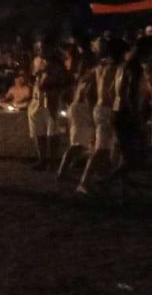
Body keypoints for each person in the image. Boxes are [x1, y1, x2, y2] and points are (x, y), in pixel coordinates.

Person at [104, 37, 152, 197]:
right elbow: (131, 94)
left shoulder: (124, 66)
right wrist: (136, 115)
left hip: (118, 113)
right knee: (136, 157)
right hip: (127, 115)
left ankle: (122, 193)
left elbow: (111, 90)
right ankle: (107, 182)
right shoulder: (136, 68)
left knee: (126, 156)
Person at [78, 39, 126, 194]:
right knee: (101, 149)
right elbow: (113, 91)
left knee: (109, 147)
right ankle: (84, 182)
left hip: (99, 108)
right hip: (107, 109)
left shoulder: (101, 66)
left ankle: (105, 178)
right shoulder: (116, 68)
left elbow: (84, 80)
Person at [27, 41, 68, 170]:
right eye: (40, 48)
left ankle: (53, 161)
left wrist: (52, 85)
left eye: (44, 48)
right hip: (37, 100)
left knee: (53, 133)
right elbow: (31, 78)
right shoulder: (36, 61)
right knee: (38, 132)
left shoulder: (58, 64)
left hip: (52, 100)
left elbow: (65, 82)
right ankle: (42, 159)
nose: (42, 51)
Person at [56, 47, 96, 180]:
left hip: (78, 109)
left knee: (83, 143)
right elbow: (88, 95)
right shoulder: (90, 76)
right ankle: (63, 171)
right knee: (78, 144)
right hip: (82, 109)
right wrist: (91, 112)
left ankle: (71, 168)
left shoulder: (82, 77)